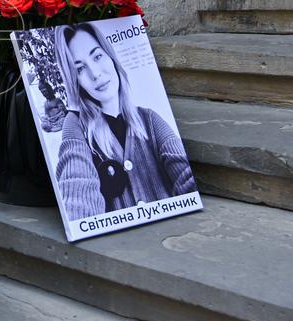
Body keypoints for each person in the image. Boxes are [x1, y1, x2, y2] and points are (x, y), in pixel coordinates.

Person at [53, 22, 196, 219]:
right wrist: (73, 114)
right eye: (79, 69)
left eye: (97, 56)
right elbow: (77, 205)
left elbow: (187, 178)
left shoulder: (150, 121)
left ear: (110, 57)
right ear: (74, 81)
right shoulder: (78, 133)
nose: (95, 74)